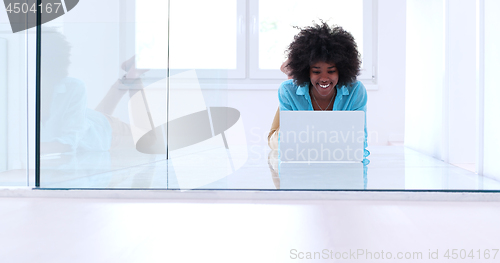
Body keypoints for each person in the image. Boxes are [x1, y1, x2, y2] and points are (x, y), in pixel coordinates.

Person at [268, 22, 370, 162]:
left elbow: (360, 144)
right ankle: (293, 76)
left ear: (341, 70)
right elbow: (286, 144)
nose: (324, 78)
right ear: (307, 71)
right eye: (316, 71)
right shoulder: (287, 90)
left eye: (331, 71)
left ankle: (293, 74)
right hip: (296, 94)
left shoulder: (356, 91)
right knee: (274, 139)